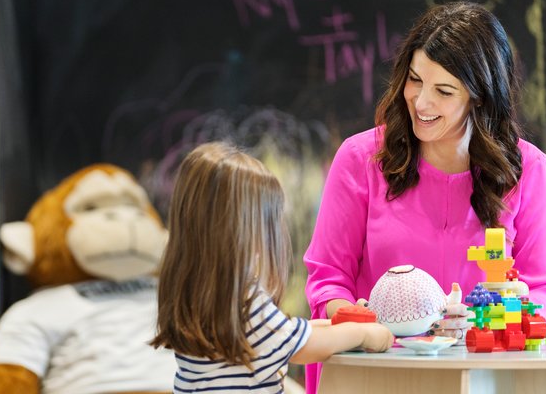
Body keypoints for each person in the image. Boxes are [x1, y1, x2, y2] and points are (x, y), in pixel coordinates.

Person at [303, 0, 546, 393]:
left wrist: (494, 324)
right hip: (377, 374)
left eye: (443, 91)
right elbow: (328, 278)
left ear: (480, 96)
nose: (421, 102)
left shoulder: (528, 169)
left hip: (484, 377)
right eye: (414, 80)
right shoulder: (360, 160)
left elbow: (542, 288)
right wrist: (351, 318)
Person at [152, 142, 394, 393]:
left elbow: (285, 333)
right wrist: (363, 335)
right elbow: (300, 346)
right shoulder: (243, 300)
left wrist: (342, 325)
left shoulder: (198, 291)